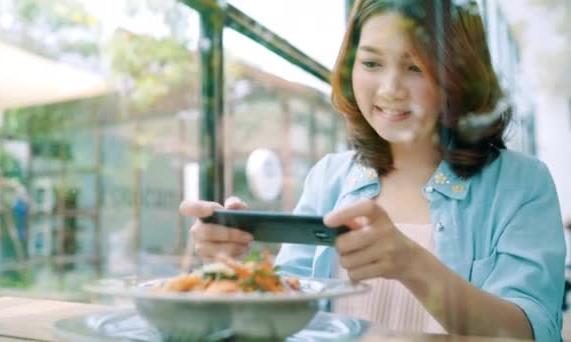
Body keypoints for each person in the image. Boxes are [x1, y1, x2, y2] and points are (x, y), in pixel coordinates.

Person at [179, 0, 565, 340]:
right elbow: (287, 315)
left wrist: (413, 265)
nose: (390, 88)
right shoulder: (328, 177)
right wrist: (232, 270)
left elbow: (531, 332)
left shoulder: (522, 184)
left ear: (460, 75)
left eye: (416, 67)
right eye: (371, 63)